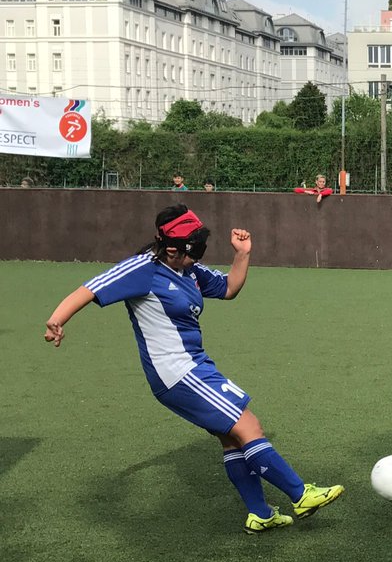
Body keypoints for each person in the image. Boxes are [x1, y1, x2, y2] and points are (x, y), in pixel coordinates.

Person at [43, 204, 344, 533]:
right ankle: (301, 494)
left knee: (231, 438)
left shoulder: (189, 270)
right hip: (176, 373)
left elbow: (228, 289)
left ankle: (260, 513)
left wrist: (242, 254)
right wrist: (57, 320)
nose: (199, 254)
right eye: (194, 248)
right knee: (249, 426)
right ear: (171, 247)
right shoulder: (143, 269)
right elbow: (90, 289)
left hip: (195, 366)